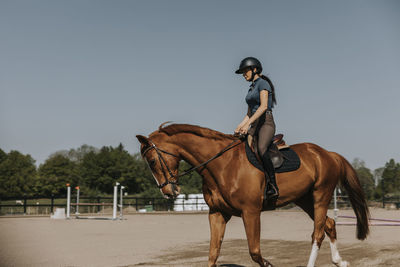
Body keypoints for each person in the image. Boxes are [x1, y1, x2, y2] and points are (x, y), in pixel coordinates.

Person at [234, 57, 279, 201]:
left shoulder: (263, 83)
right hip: (254, 123)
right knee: (240, 147)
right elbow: (249, 114)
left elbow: (264, 107)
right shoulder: (251, 88)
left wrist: (248, 125)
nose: (243, 74)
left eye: (245, 71)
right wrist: (240, 126)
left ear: (254, 70)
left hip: (266, 122)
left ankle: (272, 185)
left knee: (261, 149)